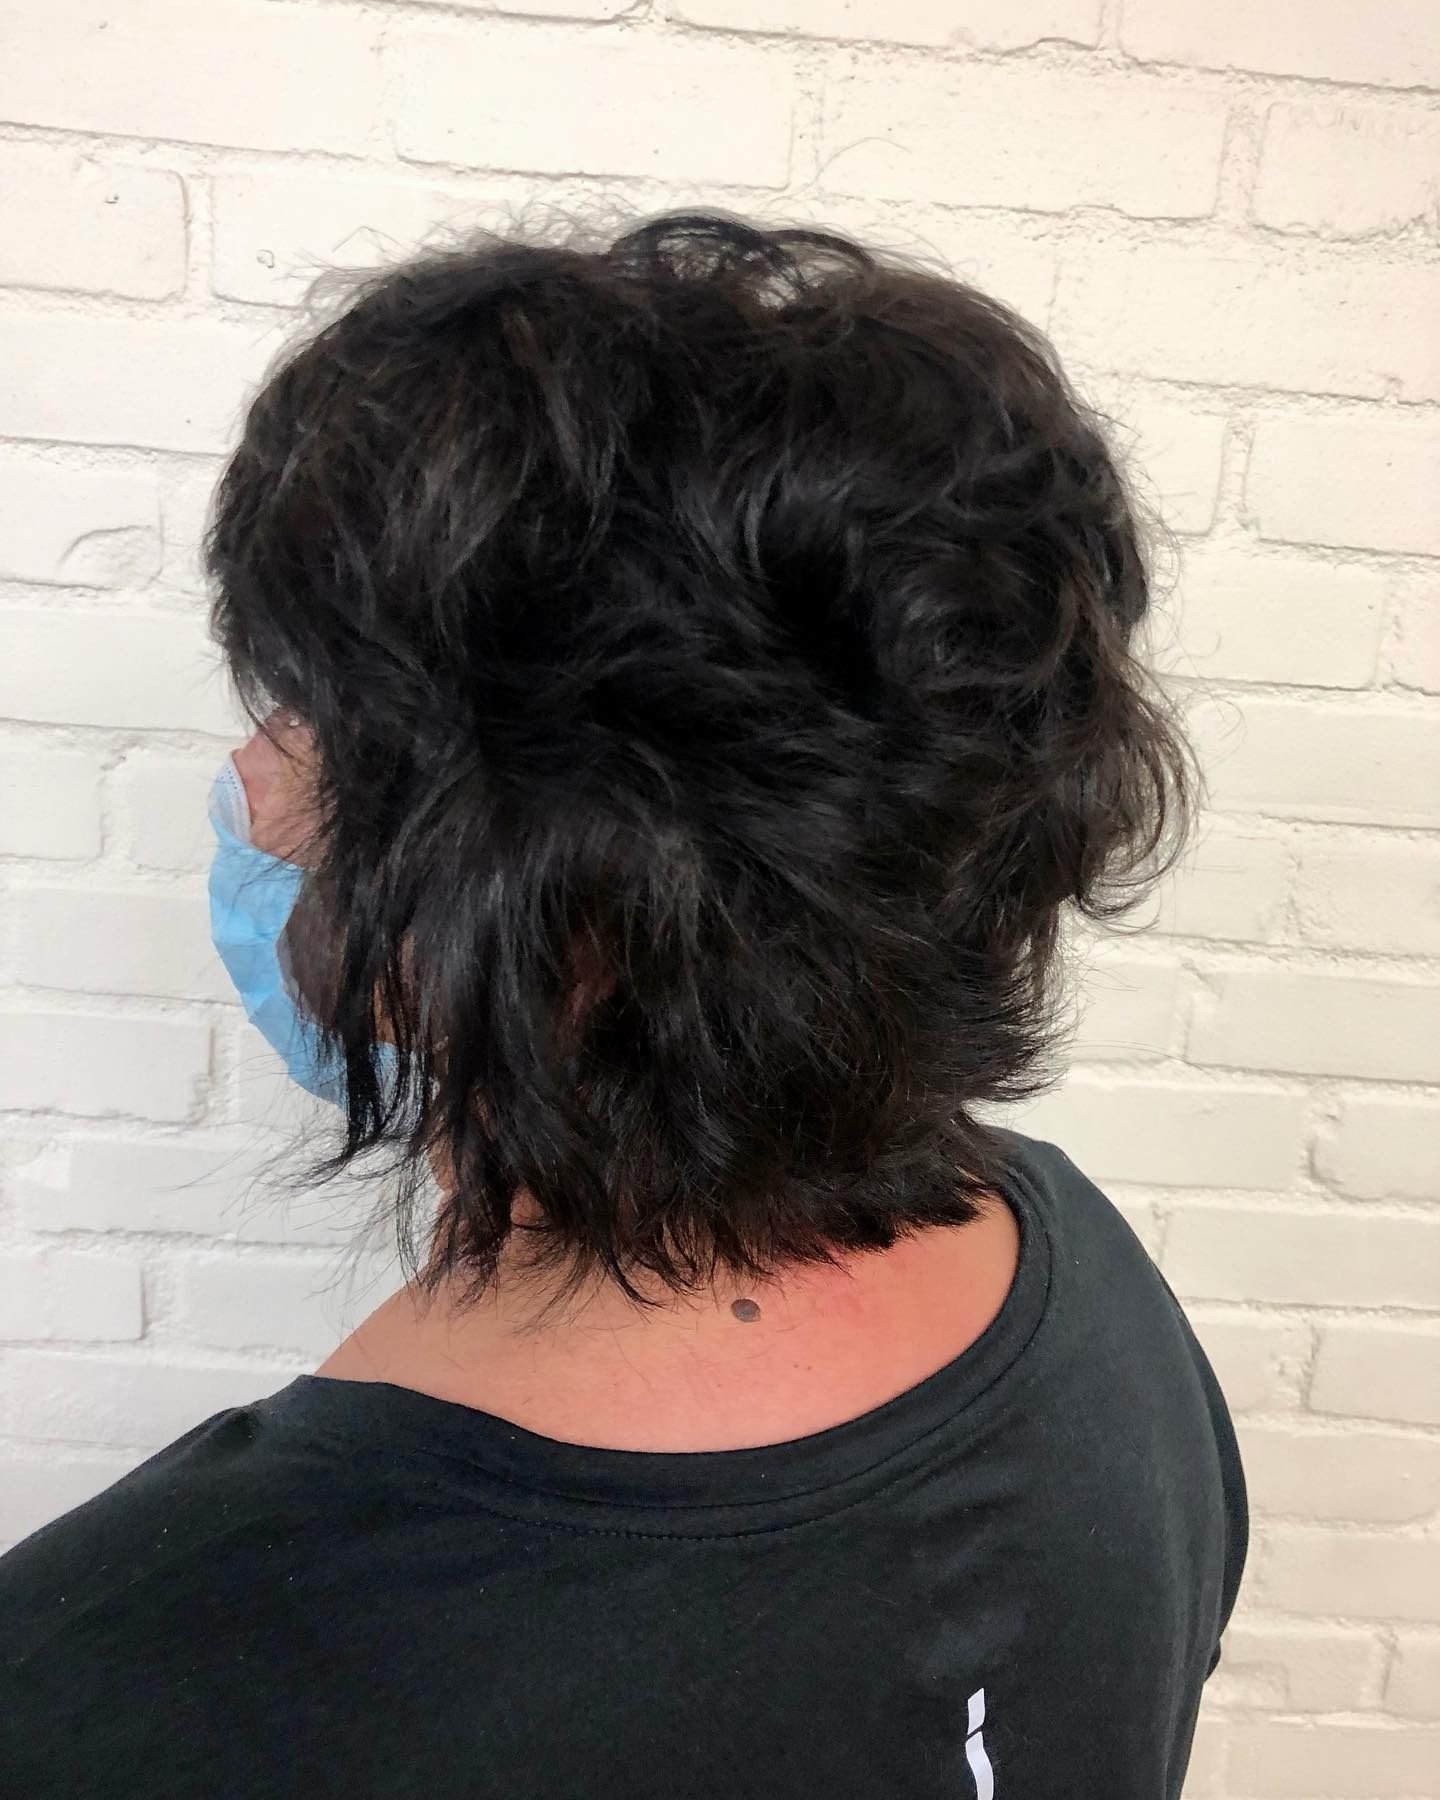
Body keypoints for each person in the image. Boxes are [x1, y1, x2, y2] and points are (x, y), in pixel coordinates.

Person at [0, 210, 1245, 1798]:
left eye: (314, 713)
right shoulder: (1087, 1301)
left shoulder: (133, 1673)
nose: (252, 779)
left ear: (570, 901)